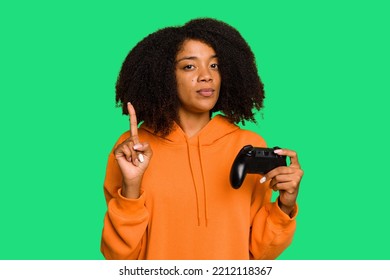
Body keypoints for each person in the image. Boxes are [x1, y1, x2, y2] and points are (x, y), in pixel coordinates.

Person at [100, 18, 304, 260]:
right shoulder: (132, 150)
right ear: (164, 75)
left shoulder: (249, 145)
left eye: (215, 66)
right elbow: (118, 258)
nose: (206, 76)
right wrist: (131, 189)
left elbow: (259, 253)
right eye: (189, 67)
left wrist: (285, 205)